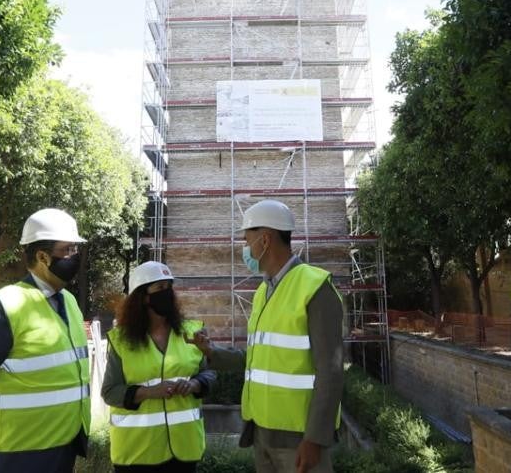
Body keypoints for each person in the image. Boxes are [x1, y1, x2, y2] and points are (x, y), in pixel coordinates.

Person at [188, 199, 343, 473]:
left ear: (266, 239)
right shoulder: (263, 292)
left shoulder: (316, 288)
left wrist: (316, 439)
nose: (245, 249)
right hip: (262, 433)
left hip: (299, 440)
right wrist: (213, 353)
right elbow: (261, 358)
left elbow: (330, 370)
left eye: (247, 241)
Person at [0, 208, 91, 473]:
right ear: (42, 256)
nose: (75, 257)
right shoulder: (6, 304)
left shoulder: (70, 302)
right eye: (68, 250)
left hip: (64, 442)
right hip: (18, 451)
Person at [102, 261, 216, 472]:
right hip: (136, 453)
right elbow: (110, 392)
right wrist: (148, 392)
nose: (168, 293)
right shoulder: (121, 341)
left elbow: (209, 374)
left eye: (169, 287)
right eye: (160, 288)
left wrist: (195, 385)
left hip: (184, 450)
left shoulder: (192, 332)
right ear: (143, 297)